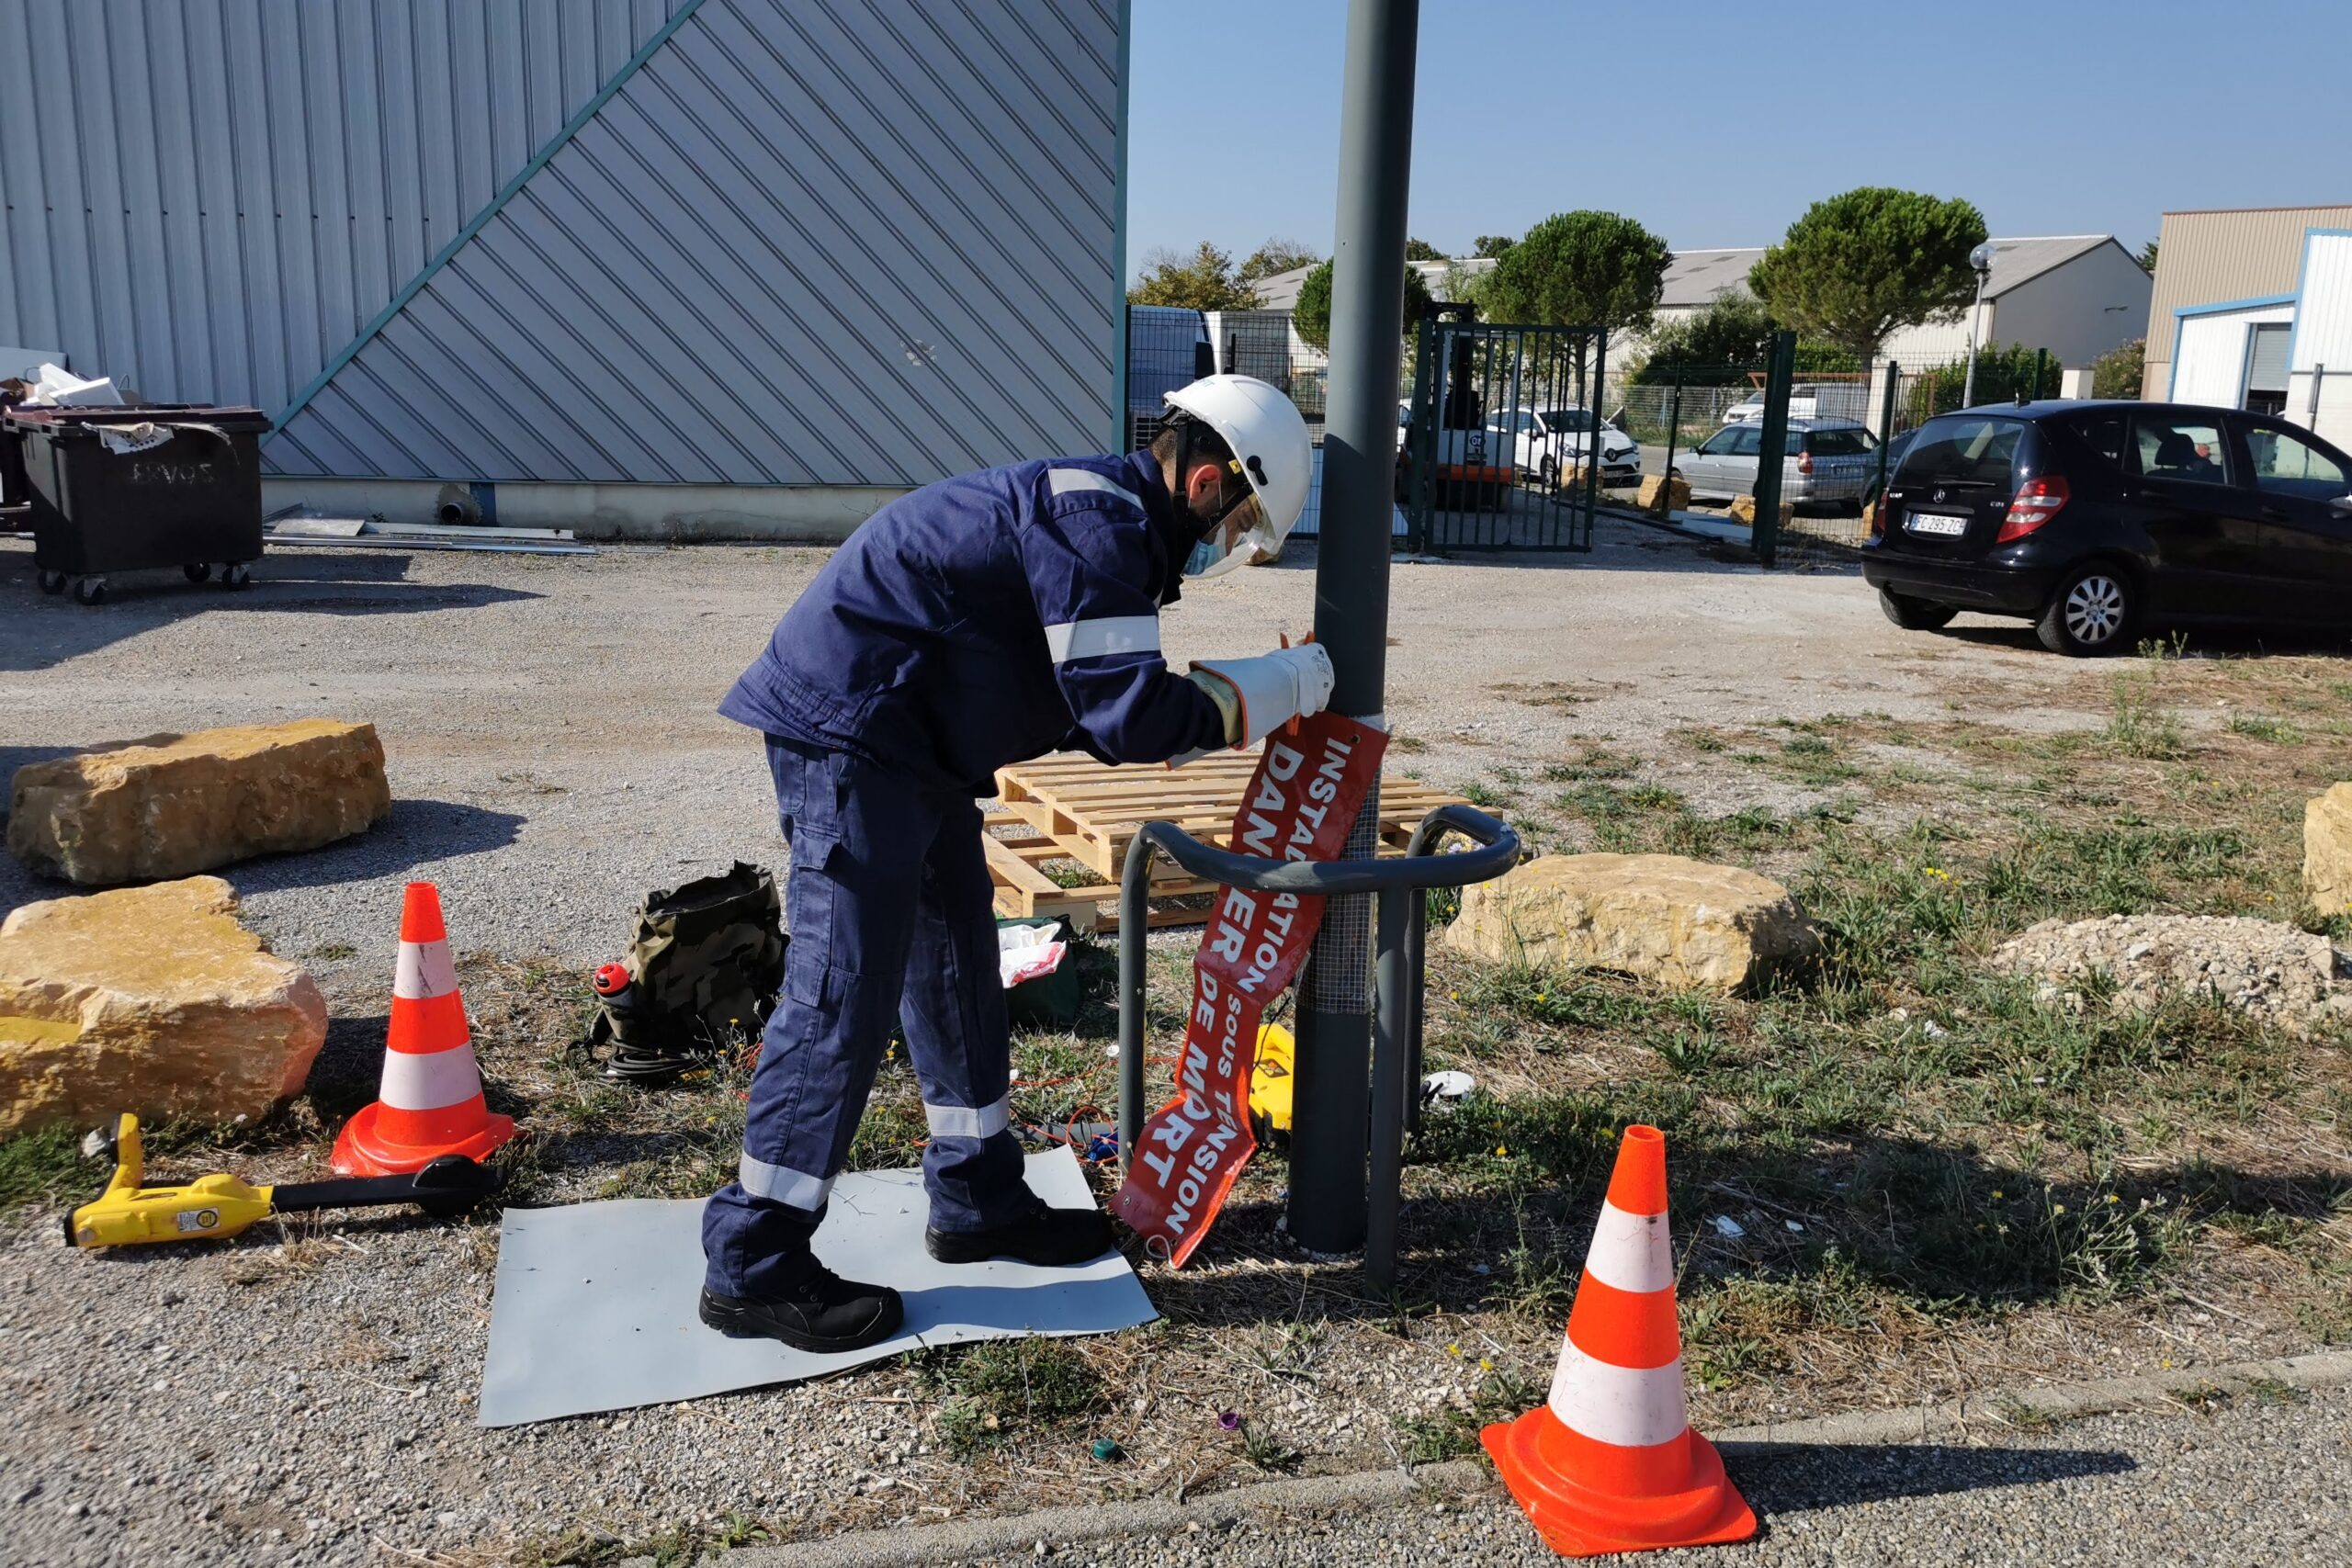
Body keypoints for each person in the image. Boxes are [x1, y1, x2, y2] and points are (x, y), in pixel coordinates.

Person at [700, 376, 1334, 1351]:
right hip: (855, 738)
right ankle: (754, 1261)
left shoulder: (1104, 515)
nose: (1229, 551)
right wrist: (1280, 685)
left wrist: (1246, 693)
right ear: (1207, 481)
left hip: (911, 749)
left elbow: (1089, 700)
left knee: (956, 967)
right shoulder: (1102, 526)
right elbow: (1126, 718)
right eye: (1241, 526)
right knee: (842, 990)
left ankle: (978, 1200)